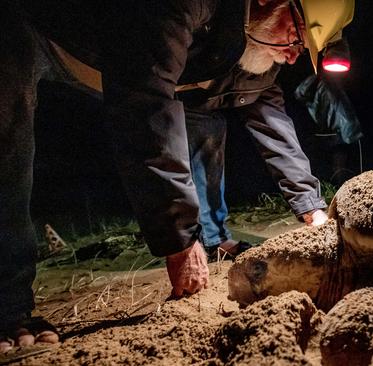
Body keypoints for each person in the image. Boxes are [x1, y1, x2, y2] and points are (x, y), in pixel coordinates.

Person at [0, 0, 353, 352]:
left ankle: (213, 237)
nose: (293, 57)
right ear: (269, 2)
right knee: (7, 139)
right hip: (37, 23)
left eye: (302, 48)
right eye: (295, 37)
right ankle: (8, 309)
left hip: (114, 62)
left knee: (204, 118)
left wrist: (311, 206)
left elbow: (270, 119)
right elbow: (144, 103)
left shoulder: (253, 38)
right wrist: (179, 240)